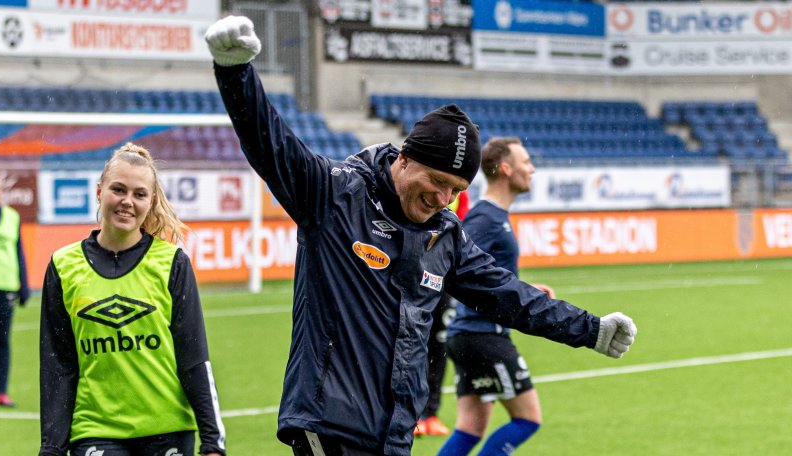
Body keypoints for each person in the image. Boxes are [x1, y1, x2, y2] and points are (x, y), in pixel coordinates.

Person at [205, 16, 637, 456]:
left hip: (395, 430)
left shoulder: (445, 234)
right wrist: (234, 69)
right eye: (437, 180)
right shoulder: (334, 194)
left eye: (457, 189)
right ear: (406, 159)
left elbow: (508, 295)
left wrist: (590, 330)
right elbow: (270, 144)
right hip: (331, 424)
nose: (444, 198)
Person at [38, 143, 226, 456]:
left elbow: (194, 357)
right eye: (118, 190)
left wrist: (212, 442)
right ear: (99, 192)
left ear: (151, 201)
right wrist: (52, 448)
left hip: (168, 432)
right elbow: (58, 366)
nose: (127, 202)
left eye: (139, 194)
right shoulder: (63, 266)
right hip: (95, 431)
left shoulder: (172, 262)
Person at [437, 136, 560, 455]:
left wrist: (524, 290)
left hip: (470, 336)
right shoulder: (485, 218)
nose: (531, 169)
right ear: (505, 169)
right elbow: (458, 268)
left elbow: (484, 275)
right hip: (482, 336)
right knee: (527, 419)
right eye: (526, 163)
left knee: (470, 427)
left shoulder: (493, 217)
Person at [414, 190, 470, 437]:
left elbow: (460, 231)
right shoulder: (425, 185)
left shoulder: (461, 194)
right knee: (413, 344)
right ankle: (411, 414)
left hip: (443, 278)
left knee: (439, 346)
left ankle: (431, 414)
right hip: (416, 274)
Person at [0, 170, 29, 408]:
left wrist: (23, 285)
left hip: (5, 287)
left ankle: (2, 392)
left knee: (2, 341)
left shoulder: (12, 217)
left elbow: (19, 252)